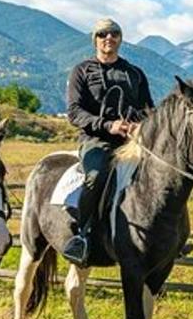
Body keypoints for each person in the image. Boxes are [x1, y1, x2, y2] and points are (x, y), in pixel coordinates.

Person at [62, 17, 154, 266]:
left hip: (131, 141)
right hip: (95, 140)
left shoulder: (134, 73)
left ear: (121, 38)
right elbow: (74, 112)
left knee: (164, 171)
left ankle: (167, 235)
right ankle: (81, 235)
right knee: (96, 174)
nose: (108, 38)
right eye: (102, 34)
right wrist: (107, 125)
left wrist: (139, 125)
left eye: (114, 33)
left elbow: (148, 109)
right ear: (95, 39)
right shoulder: (81, 71)